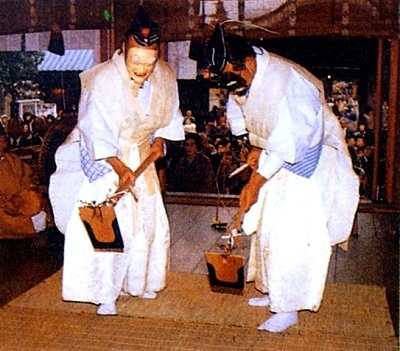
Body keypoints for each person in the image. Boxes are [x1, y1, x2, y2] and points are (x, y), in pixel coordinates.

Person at [198, 25, 359, 333]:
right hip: (277, 156)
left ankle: (289, 307)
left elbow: (289, 142)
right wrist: (255, 147)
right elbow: (246, 113)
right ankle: (274, 291)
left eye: (232, 77)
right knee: (268, 229)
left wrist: (256, 182)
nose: (231, 86)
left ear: (247, 63)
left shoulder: (287, 83)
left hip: (306, 163)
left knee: (292, 236)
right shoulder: (243, 74)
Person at [49, 7, 184, 316]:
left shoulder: (164, 75)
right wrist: (120, 169)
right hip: (108, 161)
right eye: (136, 60)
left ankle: (139, 283)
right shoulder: (102, 81)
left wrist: (160, 141)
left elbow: (168, 119)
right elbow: (93, 132)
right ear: (123, 51)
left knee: (149, 222)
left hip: (143, 159)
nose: (143, 68)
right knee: (112, 227)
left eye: (149, 61)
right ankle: (105, 294)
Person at [0, 131, 46, 239]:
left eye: (3, 141)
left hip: (21, 204)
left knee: (39, 212)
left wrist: (24, 196)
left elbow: (29, 180)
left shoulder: (12, 159)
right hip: (3, 210)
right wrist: (9, 201)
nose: (2, 145)